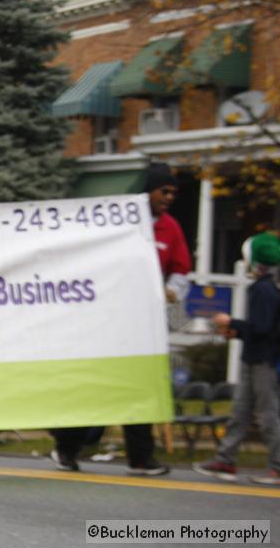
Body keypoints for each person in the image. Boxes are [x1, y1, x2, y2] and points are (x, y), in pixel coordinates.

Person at [50, 163, 190, 476]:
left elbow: (182, 268)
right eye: (163, 191)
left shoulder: (171, 228)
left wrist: (172, 289)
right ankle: (65, 446)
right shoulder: (119, 221)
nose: (168, 198)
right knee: (97, 387)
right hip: (107, 320)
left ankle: (141, 458)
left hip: (143, 324)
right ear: (147, 191)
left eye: (172, 193)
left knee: (140, 388)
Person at [193, 233, 280, 485]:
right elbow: (264, 329)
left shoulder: (262, 289)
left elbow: (260, 329)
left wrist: (232, 323)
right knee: (241, 411)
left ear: (256, 261)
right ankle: (225, 459)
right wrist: (237, 330)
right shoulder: (270, 289)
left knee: (267, 413)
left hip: (263, 362)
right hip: (255, 359)